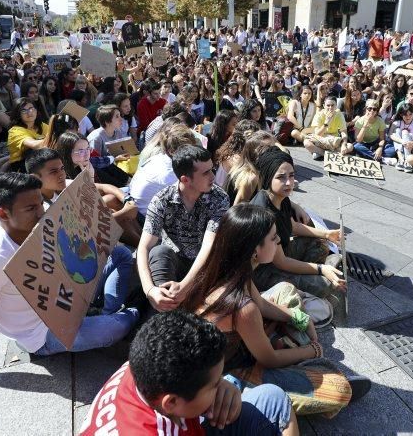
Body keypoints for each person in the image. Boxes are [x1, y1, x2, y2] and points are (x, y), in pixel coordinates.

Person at [0, 173, 139, 399]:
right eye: (31, 209)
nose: (41, 213)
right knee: (116, 327)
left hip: (69, 296)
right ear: (3, 213)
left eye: (40, 204)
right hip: (43, 333)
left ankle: (105, 310)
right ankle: (131, 312)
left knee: (120, 254)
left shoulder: (36, 227)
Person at [184, 204, 366, 418]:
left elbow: (262, 304)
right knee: (339, 390)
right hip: (227, 377)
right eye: (273, 238)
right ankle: (292, 372)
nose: (279, 240)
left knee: (285, 290)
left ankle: (292, 348)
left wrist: (297, 316)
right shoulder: (242, 305)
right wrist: (314, 350)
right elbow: (268, 359)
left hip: (241, 345)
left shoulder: (230, 272)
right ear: (254, 250)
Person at [79, 311, 297, 436]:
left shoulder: (143, 364)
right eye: (214, 385)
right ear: (171, 402)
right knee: (274, 401)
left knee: (267, 396)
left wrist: (222, 385)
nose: (221, 384)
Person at [137, 145, 230, 312]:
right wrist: (150, 290)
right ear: (185, 179)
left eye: (212, 169)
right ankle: (165, 308)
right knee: (159, 252)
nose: (213, 176)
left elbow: (208, 246)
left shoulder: (219, 199)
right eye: (205, 173)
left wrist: (184, 287)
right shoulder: (162, 200)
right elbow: (144, 246)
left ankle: (168, 314)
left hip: (205, 266)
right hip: (175, 264)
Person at [249, 148, 344, 299]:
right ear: (268, 178)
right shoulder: (263, 212)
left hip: (280, 256)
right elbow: (282, 262)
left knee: (319, 244)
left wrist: (327, 234)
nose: (289, 182)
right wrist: (320, 269)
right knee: (324, 286)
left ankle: (315, 271)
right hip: (262, 273)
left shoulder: (280, 196)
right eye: (281, 177)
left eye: (291, 175)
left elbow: (293, 226)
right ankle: (319, 272)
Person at [7, 97, 49, 172]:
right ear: (18, 114)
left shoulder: (42, 125)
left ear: (36, 110)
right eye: (23, 110)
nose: (29, 112)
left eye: (31, 108)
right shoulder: (15, 131)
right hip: (22, 168)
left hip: (41, 163)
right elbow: (35, 145)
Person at [303, 95, 347, 160]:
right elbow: (318, 134)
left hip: (333, 141)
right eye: (328, 105)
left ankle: (319, 153)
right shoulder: (319, 114)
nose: (330, 108)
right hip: (321, 139)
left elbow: (343, 132)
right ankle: (326, 154)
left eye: (333, 105)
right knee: (307, 143)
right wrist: (326, 123)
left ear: (336, 106)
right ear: (324, 106)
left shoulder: (339, 115)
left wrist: (344, 145)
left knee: (350, 146)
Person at [389, 103, 413, 173]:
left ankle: (407, 161)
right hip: (401, 146)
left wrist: (410, 142)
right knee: (397, 130)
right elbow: (390, 134)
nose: (408, 117)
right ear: (401, 115)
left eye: (410, 114)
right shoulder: (398, 122)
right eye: (405, 115)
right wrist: (402, 141)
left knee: (404, 132)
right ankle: (401, 159)